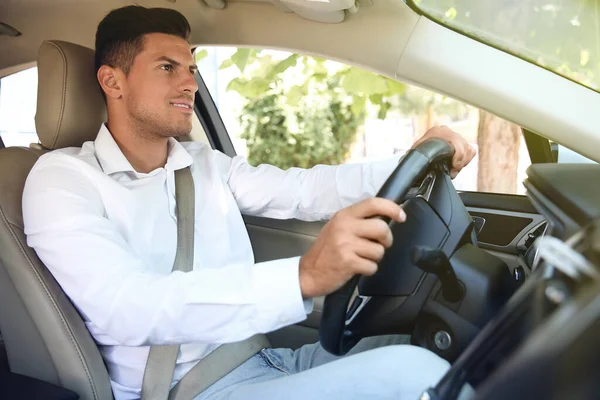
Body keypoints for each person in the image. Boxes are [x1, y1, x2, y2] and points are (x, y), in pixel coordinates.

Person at [22, 5, 476, 400]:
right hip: (193, 391)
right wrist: (303, 276)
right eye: (167, 68)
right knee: (414, 376)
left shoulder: (202, 162)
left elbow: (301, 190)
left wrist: (410, 161)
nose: (189, 84)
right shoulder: (62, 180)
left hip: (269, 360)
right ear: (111, 81)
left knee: (436, 344)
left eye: (191, 69)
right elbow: (126, 306)